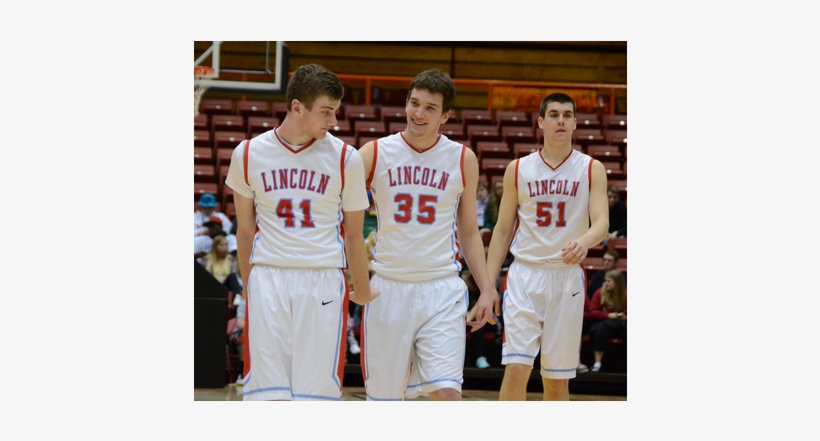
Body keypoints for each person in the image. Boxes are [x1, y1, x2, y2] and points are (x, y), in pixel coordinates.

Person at [225, 64, 379, 401]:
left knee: (316, 395)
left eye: (335, 112)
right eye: (325, 112)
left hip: (322, 278)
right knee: (267, 395)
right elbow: (245, 231)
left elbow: (354, 235)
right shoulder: (248, 153)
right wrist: (251, 286)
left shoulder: (346, 158)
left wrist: (362, 290)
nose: (333, 121)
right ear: (297, 107)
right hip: (268, 277)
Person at [357, 68, 500, 401]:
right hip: (388, 289)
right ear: (406, 103)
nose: (419, 114)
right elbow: (343, 216)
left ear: (445, 115)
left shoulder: (463, 158)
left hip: (442, 288)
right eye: (414, 103)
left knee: (447, 394)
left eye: (430, 108)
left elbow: (468, 232)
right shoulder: (374, 153)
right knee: (385, 400)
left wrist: (487, 288)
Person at [485, 92, 609, 401]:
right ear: (541, 122)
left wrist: (585, 240)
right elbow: (501, 231)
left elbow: (602, 223)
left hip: (566, 277)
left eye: (567, 115)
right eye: (554, 114)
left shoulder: (591, 168)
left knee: (555, 380)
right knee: (516, 369)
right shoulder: (518, 168)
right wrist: (487, 286)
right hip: (524, 275)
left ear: (575, 123)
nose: (561, 120)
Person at [584, 269, 627, 372]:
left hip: (622, 323)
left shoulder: (627, 293)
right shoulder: (600, 292)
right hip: (604, 323)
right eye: (605, 281)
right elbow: (592, 312)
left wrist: (626, 318)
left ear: (617, 282)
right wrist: (608, 315)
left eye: (609, 281)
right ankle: (597, 363)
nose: (605, 284)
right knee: (601, 331)